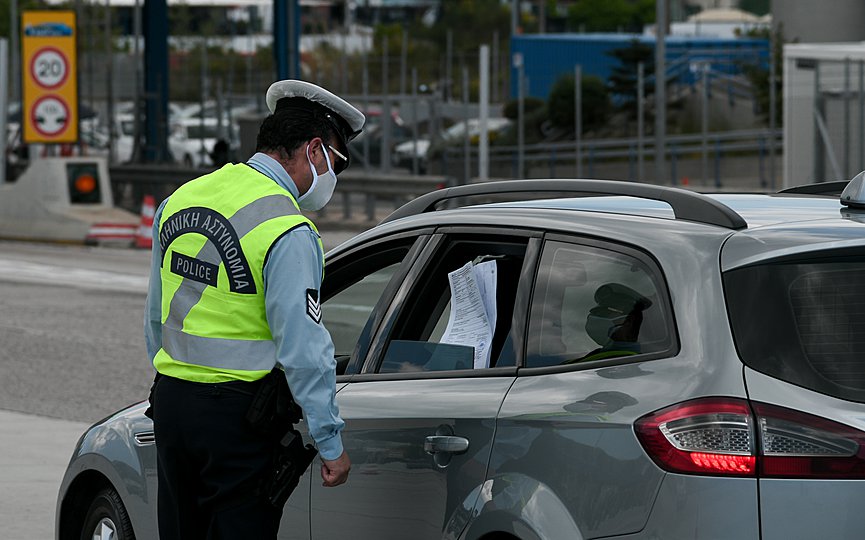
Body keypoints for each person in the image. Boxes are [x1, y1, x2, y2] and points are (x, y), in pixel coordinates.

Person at [143, 79, 365, 540]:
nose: (332, 178)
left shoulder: (182, 197)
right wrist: (329, 441)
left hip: (172, 405)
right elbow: (303, 347)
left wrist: (174, 385)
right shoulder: (287, 227)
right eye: (337, 164)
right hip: (237, 423)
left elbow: (155, 317)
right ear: (314, 150)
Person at [568, 282, 652, 364]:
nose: (596, 318)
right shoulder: (597, 356)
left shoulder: (628, 362)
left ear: (629, 321)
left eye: (606, 313)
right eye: (596, 313)